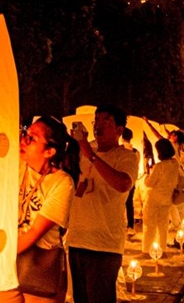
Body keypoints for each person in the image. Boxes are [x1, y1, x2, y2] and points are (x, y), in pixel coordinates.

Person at [0, 117, 79, 303]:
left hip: (38, 268)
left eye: (32, 138)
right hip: (7, 270)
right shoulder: (17, 166)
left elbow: (35, 231)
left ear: (49, 151)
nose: (23, 140)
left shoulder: (61, 182)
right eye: (25, 134)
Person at [67, 105, 139, 303]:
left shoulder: (126, 156)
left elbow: (123, 184)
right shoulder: (83, 150)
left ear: (119, 130)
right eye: (96, 120)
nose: (98, 125)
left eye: (105, 122)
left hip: (104, 245)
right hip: (77, 240)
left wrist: (91, 155)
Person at [141, 138, 178, 257]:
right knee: (163, 225)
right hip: (167, 198)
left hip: (154, 199)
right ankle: (163, 250)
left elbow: (150, 183)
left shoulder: (159, 166)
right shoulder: (175, 164)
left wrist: (147, 174)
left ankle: (146, 250)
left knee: (149, 225)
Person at [121, 127, 139, 236]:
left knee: (118, 203)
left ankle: (118, 224)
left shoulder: (119, 150)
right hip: (132, 180)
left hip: (119, 179)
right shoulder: (136, 152)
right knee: (129, 203)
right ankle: (130, 226)